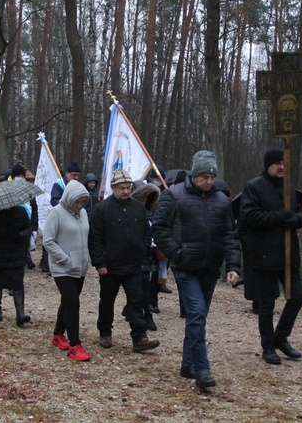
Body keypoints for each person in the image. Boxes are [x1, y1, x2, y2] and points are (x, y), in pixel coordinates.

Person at [151, 150, 241, 389]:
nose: (208, 181)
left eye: (212, 176)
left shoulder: (222, 201)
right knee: (197, 314)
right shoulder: (174, 195)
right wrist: (176, 253)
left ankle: (188, 364)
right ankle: (202, 369)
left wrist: (232, 266)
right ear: (194, 174)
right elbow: (158, 228)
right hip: (186, 267)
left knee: (197, 318)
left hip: (210, 268)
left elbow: (230, 236)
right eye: (204, 176)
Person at [239, 149, 302, 365]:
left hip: (288, 255)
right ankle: (268, 345)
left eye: (284, 163)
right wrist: (280, 217)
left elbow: (299, 212)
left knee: (297, 297)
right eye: (277, 163)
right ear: (268, 165)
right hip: (264, 254)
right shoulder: (254, 187)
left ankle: (281, 337)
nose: (281, 167)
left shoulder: (290, 189)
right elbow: (249, 217)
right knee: (267, 303)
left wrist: (296, 219)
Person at [89, 169, 160, 353]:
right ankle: (105, 332)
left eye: (128, 188)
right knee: (107, 301)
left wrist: (144, 250)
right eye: (122, 188)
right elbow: (95, 238)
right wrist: (100, 263)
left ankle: (139, 337)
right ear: (113, 188)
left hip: (134, 265)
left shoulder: (138, 208)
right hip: (110, 266)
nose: (126, 191)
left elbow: (146, 231)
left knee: (136, 301)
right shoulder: (101, 210)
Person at [43, 180, 92, 362]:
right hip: (62, 268)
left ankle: (58, 334)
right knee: (73, 303)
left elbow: (86, 236)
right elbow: (48, 241)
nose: (79, 205)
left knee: (68, 301)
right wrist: (65, 259)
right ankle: (74, 344)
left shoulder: (84, 213)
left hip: (80, 267)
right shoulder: (56, 213)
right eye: (76, 202)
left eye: (82, 202)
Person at [0, 186, 34, 326]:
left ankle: (20, 312)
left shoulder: (21, 211)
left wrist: (20, 235)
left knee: (17, 283)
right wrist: (1, 232)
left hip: (16, 252)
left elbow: (28, 228)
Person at [40, 161, 84, 272]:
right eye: (74, 174)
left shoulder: (78, 186)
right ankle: (49, 264)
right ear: (67, 174)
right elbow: (54, 200)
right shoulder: (59, 185)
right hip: (60, 217)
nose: (76, 177)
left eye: (78, 175)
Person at [131, 181, 162, 332]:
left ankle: (144, 314)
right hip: (135, 254)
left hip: (149, 255)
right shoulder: (131, 212)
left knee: (145, 285)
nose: (144, 201)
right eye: (142, 197)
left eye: (147, 197)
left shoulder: (152, 212)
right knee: (138, 286)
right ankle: (142, 315)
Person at [10, 164, 39, 269]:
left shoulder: (29, 191)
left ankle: (27, 258)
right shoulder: (9, 190)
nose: (20, 178)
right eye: (18, 176)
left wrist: (35, 226)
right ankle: (25, 259)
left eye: (22, 176)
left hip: (27, 220)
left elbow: (34, 209)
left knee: (26, 241)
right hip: (14, 221)